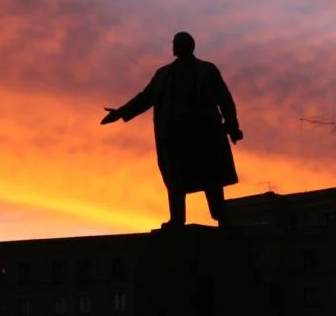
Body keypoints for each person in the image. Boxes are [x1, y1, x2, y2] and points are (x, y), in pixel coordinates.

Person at [101, 31, 243, 228]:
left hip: (204, 133)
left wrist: (232, 124)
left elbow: (224, 98)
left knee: (211, 177)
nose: (174, 46)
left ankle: (221, 217)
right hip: (174, 136)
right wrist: (120, 113)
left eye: (178, 43)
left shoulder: (207, 70)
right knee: (175, 178)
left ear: (189, 46)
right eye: (174, 43)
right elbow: (146, 97)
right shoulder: (163, 74)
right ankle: (177, 219)